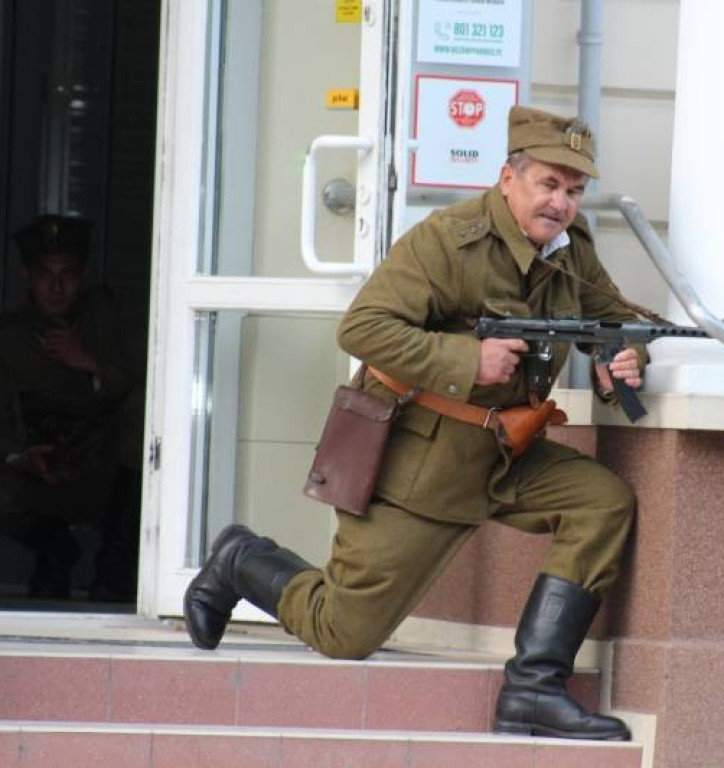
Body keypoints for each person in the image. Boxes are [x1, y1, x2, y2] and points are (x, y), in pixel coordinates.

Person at [184, 106, 646, 740]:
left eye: (573, 190)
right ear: (508, 177)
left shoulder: (571, 252)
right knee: (342, 633)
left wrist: (623, 358)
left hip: (508, 452)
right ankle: (240, 560)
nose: (561, 203)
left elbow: (614, 318)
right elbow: (363, 327)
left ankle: (533, 690)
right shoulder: (448, 241)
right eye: (549, 184)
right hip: (421, 460)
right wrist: (466, 357)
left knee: (601, 502)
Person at [0, 214, 142, 599]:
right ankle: (54, 551)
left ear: (83, 276)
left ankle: (113, 571)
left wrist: (91, 363)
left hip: (100, 472)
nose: (58, 287)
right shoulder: (10, 337)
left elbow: (148, 389)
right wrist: (18, 456)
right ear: (27, 277)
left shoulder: (106, 320)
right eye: (46, 274)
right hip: (31, 474)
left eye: (69, 274)